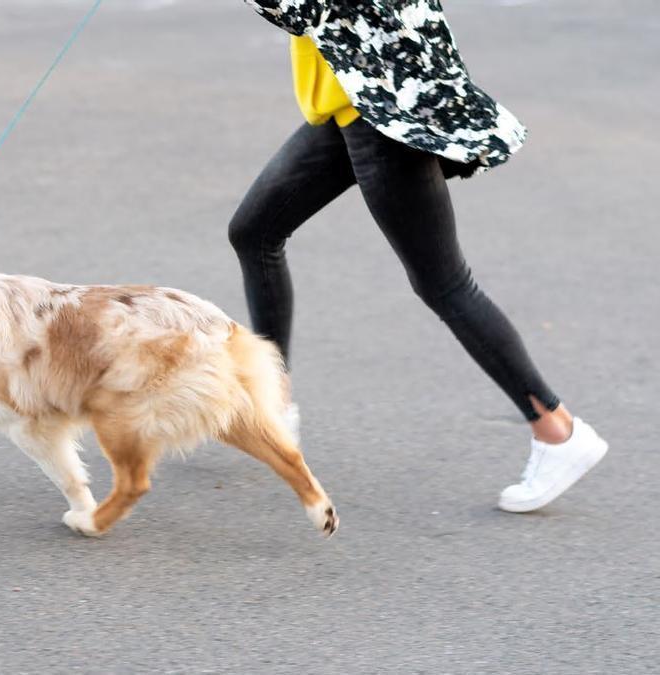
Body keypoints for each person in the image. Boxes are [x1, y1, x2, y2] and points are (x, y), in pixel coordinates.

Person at [232, 1, 607, 512]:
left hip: (387, 113)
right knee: (254, 232)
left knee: (445, 284)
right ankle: (272, 402)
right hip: (355, 99)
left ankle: (559, 432)